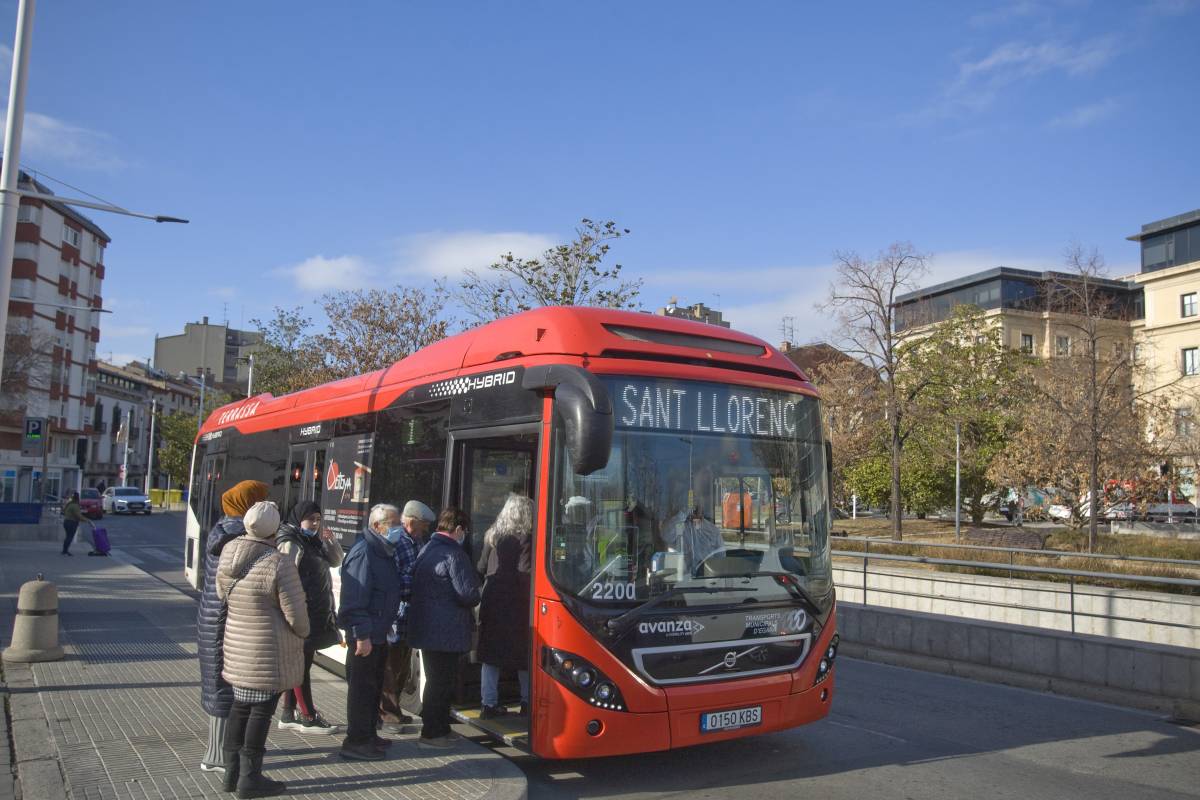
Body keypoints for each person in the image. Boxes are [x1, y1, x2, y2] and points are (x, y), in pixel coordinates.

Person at [217, 501, 308, 798]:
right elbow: (297, 616)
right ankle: (249, 780)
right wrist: (303, 633)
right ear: (274, 528)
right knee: (260, 712)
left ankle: (230, 774)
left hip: (236, 646)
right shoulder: (278, 563)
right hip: (267, 652)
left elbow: (222, 593)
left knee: (239, 708)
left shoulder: (229, 551)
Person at [197, 480, 270, 775]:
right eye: (259, 501)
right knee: (224, 687)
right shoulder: (239, 538)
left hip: (213, 617)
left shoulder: (223, 529)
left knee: (221, 685)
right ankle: (216, 755)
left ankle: (221, 750)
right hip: (224, 620)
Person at [408, 506, 481, 748]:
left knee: (435, 680)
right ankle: (432, 732)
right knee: (442, 682)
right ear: (458, 529)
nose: (465, 536)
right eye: (465, 531)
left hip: (427, 627)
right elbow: (468, 594)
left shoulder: (427, 548)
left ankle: (440, 727)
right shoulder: (454, 554)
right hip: (446, 631)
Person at [336, 503, 404, 761]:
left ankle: (369, 734)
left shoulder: (383, 550)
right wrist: (361, 635)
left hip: (378, 633)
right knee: (361, 691)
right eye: (393, 524)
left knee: (373, 688)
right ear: (377, 526)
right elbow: (354, 600)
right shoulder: (364, 552)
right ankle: (356, 741)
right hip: (365, 637)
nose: (398, 529)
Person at [275, 500, 343, 735]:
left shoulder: (312, 541)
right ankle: (308, 716)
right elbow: (284, 580)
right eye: (310, 519)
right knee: (300, 666)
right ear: (298, 519)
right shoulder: (291, 543)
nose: (314, 524)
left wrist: (330, 541)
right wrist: (291, 613)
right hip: (301, 613)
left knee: (302, 663)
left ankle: (288, 713)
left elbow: (336, 561)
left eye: (318, 519)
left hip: (313, 612)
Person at [379, 499, 437, 733]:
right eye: (423, 525)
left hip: (408, 616)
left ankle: (395, 711)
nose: (425, 530)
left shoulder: (416, 541)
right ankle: (387, 714)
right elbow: (393, 578)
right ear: (412, 522)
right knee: (390, 668)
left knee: (401, 666)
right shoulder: (398, 543)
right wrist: (419, 583)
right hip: (396, 616)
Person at [475, 494, 534, 718]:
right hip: (520, 601)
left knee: (491, 655)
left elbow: (481, 567)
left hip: (494, 599)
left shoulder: (492, 535)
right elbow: (529, 570)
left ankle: (488, 704)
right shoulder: (529, 536)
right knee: (523, 655)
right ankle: (527, 702)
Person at [60, 491, 82, 556]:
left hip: (66, 521)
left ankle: (64, 550)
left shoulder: (69, 504)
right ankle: (65, 551)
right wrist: (88, 520)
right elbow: (78, 515)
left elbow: (63, 511)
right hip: (72, 523)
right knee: (69, 537)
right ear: (77, 498)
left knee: (68, 537)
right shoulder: (75, 505)